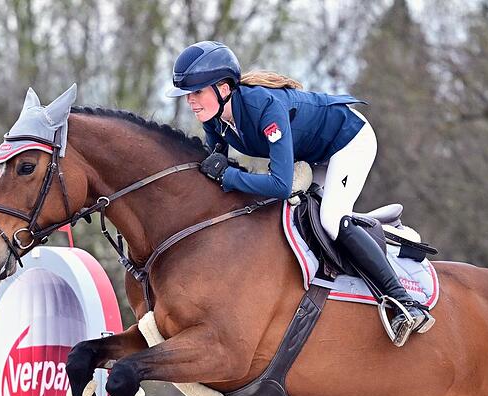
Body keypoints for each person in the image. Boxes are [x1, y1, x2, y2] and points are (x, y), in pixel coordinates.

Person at [166, 41, 432, 346]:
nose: (191, 101)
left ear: (223, 88)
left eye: (196, 92)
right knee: (295, 218)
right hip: (315, 155)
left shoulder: (264, 107)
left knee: (331, 219)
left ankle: (403, 302)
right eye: (188, 95)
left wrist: (229, 176)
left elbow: (278, 184)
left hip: (348, 142)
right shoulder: (215, 120)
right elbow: (218, 165)